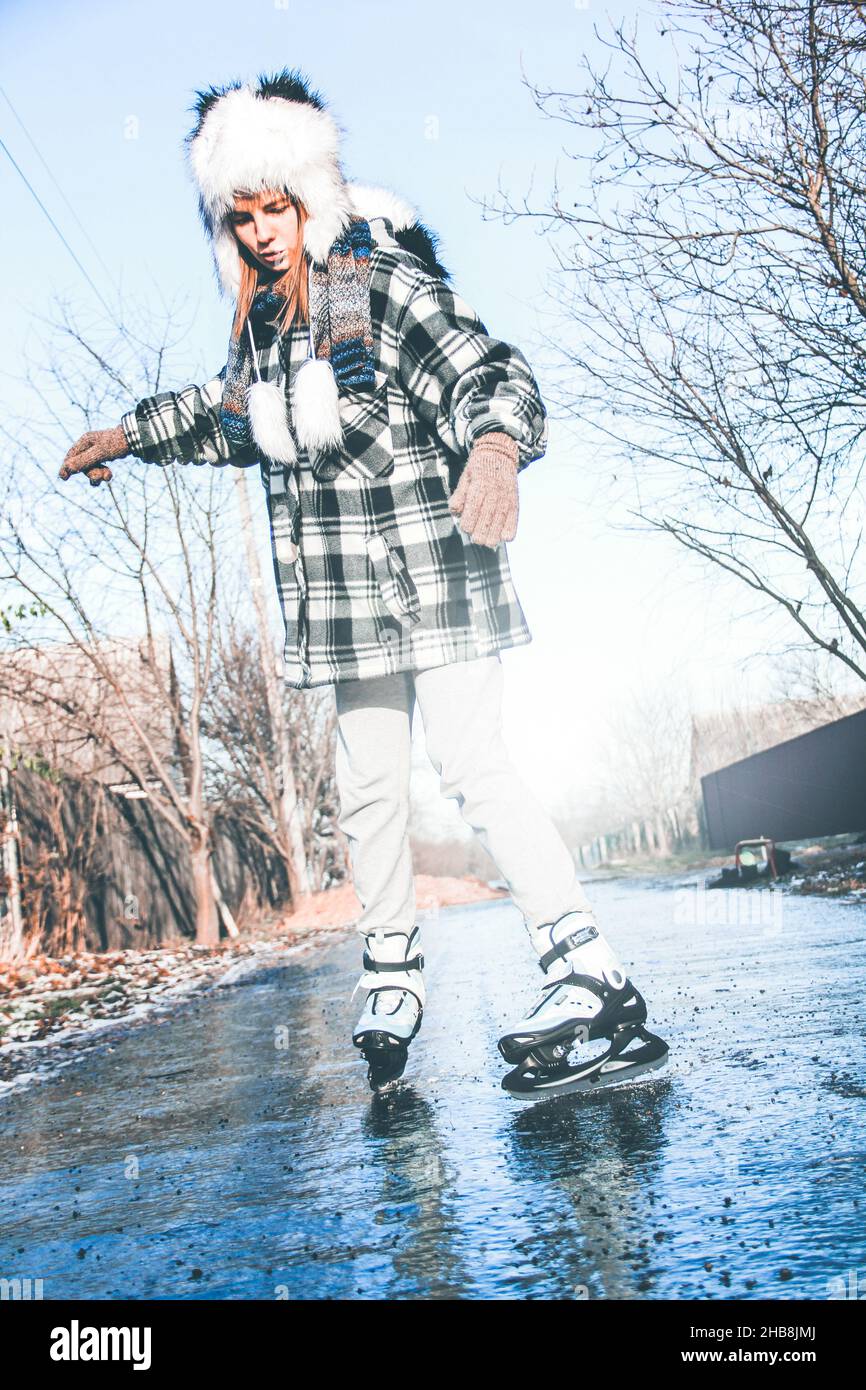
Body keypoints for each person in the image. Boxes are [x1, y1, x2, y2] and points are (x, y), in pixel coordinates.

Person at [60, 68, 668, 1097]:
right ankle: (390, 968)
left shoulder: (364, 279)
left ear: (311, 197)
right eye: (241, 216)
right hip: (345, 601)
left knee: (472, 762)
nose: (260, 233)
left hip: (431, 565)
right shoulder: (264, 327)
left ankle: (586, 972)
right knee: (368, 787)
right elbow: (228, 419)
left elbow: (484, 367)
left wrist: (493, 448)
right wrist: (130, 432)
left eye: (275, 208)